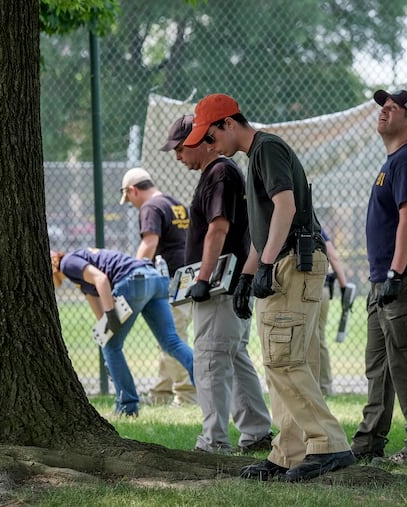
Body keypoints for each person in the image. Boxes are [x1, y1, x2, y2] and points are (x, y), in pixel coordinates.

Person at [184, 93, 355, 482]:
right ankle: (288, 452)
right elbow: (263, 232)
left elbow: (286, 207)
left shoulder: (266, 149)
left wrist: (265, 265)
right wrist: (246, 276)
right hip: (280, 261)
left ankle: (329, 445)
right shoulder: (254, 157)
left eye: (210, 137)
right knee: (284, 362)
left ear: (228, 123)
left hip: (293, 263)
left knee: (285, 361)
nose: (210, 148)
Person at [160, 114, 272, 454]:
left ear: (198, 141)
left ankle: (213, 443)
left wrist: (203, 278)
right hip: (231, 284)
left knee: (209, 361)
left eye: (180, 148)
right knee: (235, 358)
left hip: (219, 285)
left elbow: (218, 226)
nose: (178, 156)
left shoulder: (219, 172)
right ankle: (255, 433)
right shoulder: (223, 172)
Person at [350, 89, 407, 466]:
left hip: (400, 276)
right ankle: (369, 440)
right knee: (380, 364)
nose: (384, 112)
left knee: (406, 361)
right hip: (384, 279)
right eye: (383, 108)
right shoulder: (395, 160)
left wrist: (395, 273)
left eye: (393, 109)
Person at [50, 248, 195, 417]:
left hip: (134, 281)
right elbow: (98, 309)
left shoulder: (68, 262)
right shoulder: (79, 275)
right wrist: (106, 327)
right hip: (154, 279)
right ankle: (205, 383)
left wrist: (111, 314)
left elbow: (101, 279)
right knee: (171, 341)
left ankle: (127, 407)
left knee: (112, 348)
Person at [119, 166, 197, 406]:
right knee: (169, 335)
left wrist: (132, 273)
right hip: (187, 276)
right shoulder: (175, 204)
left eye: (129, 199)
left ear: (133, 191)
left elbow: (149, 243)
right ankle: (161, 394)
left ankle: (186, 395)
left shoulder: (151, 207)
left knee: (173, 337)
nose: (131, 204)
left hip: (169, 279)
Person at [316, 227, 351, 396]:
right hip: (320, 287)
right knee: (318, 338)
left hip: (299, 287)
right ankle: (324, 387)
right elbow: (333, 256)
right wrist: (344, 286)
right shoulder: (316, 226)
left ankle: (317, 386)